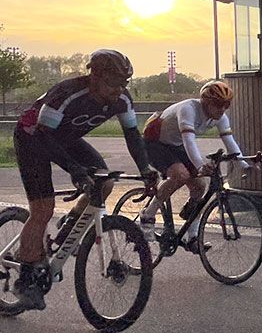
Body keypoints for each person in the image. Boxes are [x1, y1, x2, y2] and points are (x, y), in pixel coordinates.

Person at [9, 49, 158, 310]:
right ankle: (26, 279)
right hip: (33, 138)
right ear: (94, 76)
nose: (119, 89)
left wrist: (146, 168)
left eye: (124, 83)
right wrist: (74, 170)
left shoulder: (121, 98)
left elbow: (133, 135)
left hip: (65, 138)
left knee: (105, 181)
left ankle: (70, 224)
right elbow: (44, 137)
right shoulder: (67, 93)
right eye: (113, 82)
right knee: (43, 209)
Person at [137, 80, 261, 249]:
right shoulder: (188, 109)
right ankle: (148, 215)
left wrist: (245, 164)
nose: (222, 109)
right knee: (180, 175)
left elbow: (230, 142)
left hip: (175, 144)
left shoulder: (221, 117)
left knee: (200, 186)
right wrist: (201, 165)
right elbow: (189, 141)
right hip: (154, 142)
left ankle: (192, 236)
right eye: (218, 104)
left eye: (227, 104)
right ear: (206, 102)